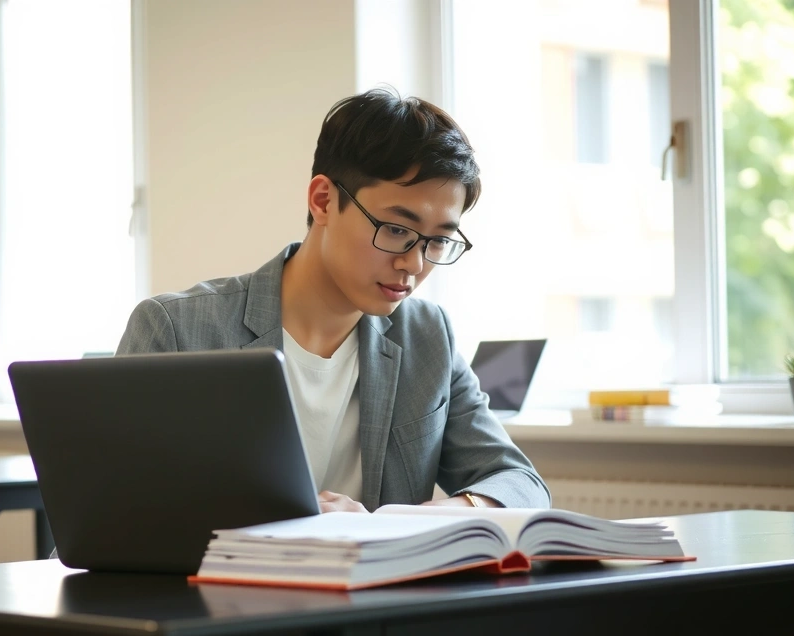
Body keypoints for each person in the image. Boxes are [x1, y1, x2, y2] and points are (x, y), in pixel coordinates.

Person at [117, 88, 550, 513]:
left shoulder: (426, 334)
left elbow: (521, 483)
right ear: (323, 200)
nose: (414, 264)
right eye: (397, 229)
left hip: (375, 585)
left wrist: (414, 519)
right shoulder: (177, 330)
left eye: (436, 241)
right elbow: (112, 514)